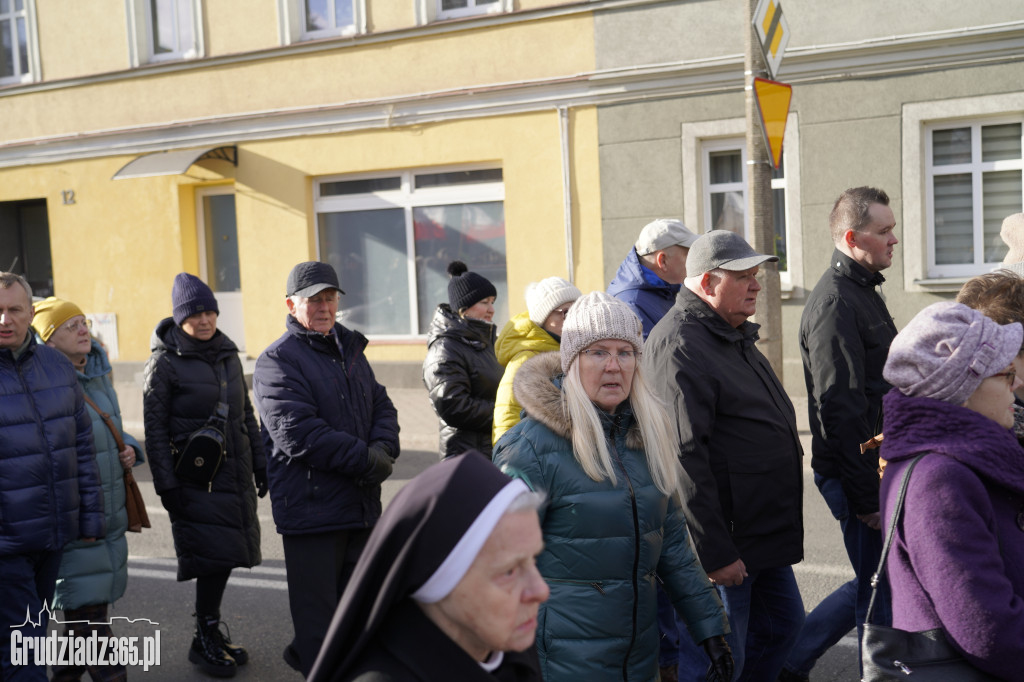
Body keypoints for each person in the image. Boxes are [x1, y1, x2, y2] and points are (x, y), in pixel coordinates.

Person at [493, 291, 733, 682]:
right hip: (561, 661)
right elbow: (497, 562)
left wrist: (711, 630)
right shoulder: (530, 448)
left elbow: (672, 543)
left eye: (625, 353)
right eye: (597, 353)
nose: (614, 367)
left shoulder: (648, 437)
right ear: (572, 361)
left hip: (638, 658)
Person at [644, 231, 805, 682]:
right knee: (718, 660)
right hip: (724, 543)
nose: (757, 285)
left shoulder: (729, 333)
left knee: (781, 628)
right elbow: (683, 458)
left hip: (758, 534)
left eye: (756, 276)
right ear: (708, 283)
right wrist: (713, 552)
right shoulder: (681, 344)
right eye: (744, 277)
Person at [253, 261, 400, 676]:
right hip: (312, 514)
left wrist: (384, 447)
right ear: (291, 304)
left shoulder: (349, 350)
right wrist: (368, 460)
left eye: (330, 297)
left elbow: (382, 406)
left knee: (357, 617)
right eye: (314, 299)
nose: (324, 306)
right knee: (320, 625)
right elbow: (298, 433)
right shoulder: (276, 361)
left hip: (359, 506)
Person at [780, 187, 899, 682]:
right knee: (879, 591)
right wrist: (864, 495)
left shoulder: (864, 289)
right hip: (857, 473)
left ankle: (790, 662)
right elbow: (839, 410)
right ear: (853, 238)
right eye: (884, 230)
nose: (895, 239)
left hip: (879, 465)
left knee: (878, 580)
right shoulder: (834, 304)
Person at [878, 301, 1024, 680]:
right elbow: (988, 631)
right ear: (963, 385)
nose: (1018, 385)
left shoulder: (971, 458)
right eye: (1006, 375)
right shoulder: (939, 479)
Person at [308, 453, 548, 682]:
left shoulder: (510, 650)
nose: (541, 591)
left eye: (534, 559)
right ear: (440, 580)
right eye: (509, 571)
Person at [143, 273, 265, 678]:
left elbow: (246, 414)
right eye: (196, 313)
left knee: (225, 555)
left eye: (210, 310)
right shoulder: (164, 362)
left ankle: (209, 631)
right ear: (180, 318)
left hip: (233, 474)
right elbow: (155, 430)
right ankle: (204, 637)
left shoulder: (228, 353)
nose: (205, 319)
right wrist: (166, 485)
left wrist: (261, 463)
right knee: (212, 557)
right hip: (195, 480)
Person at [32, 297, 143, 682]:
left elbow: (108, 430)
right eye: (71, 326)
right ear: (48, 342)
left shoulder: (96, 375)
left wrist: (130, 447)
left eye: (83, 322)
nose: (84, 330)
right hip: (78, 526)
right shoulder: (46, 386)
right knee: (94, 632)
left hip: (107, 521)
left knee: (82, 630)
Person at [0, 273, 104, 682]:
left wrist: (90, 520)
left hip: (52, 535)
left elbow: (81, 449)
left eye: (14, 310)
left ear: (30, 313)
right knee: (21, 650)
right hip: (5, 544)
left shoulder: (56, 367)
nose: (4, 319)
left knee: (30, 639)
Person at [423, 260, 503, 458]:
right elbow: (453, 405)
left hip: (490, 450)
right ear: (463, 308)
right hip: (466, 455)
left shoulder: (487, 343)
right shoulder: (445, 348)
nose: (491, 309)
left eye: (492, 302)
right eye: (484, 302)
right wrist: (505, 411)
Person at [492, 276, 581, 443]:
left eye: (577, 311)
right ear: (544, 317)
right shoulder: (526, 358)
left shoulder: (574, 349)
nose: (573, 318)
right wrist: (510, 463)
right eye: (566, 312)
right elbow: (507, 416)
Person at [608, 218, 699, 338]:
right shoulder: (632, 305)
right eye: (687, 255)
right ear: (663, 261)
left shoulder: (662, 289)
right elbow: (654, 355)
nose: (694, 260)